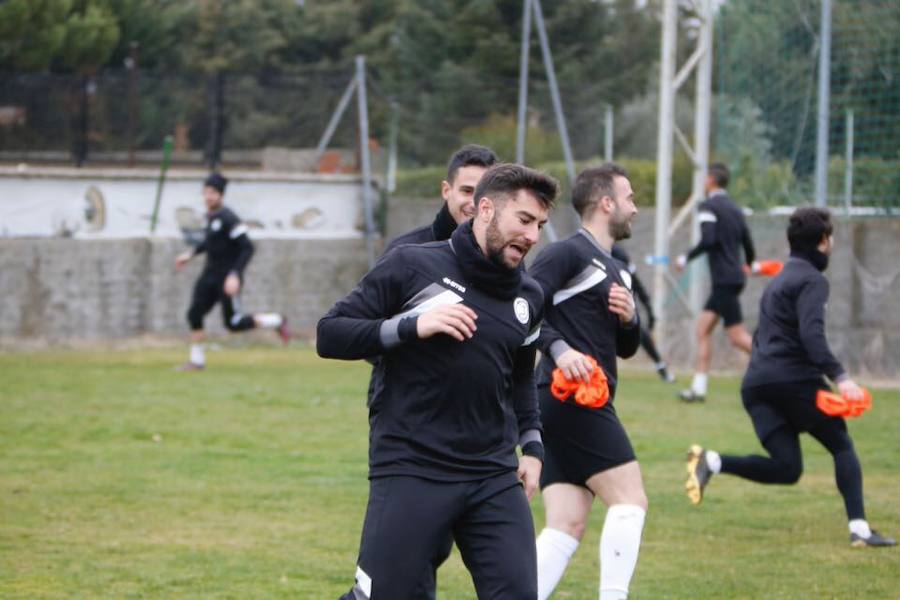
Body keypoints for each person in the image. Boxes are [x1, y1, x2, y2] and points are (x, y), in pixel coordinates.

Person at [317, 163, 558, 599]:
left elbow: (522, 378)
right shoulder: (413, 265)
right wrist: (411, 325)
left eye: (540, 225)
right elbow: (329, 334)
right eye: (524, 221)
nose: (534, 236)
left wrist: (534, 447)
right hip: (414, 465)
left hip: (493, 473)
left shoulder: (529, 296)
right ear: (486, 209)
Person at [685, 207, 895, 548]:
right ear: (824, 241)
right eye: (831, 240)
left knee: (787, 468)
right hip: (795, 381)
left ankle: (711, 461)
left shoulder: (779, 279)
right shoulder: (813, 279)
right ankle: (859, 530)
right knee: (841, 445)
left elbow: (760, 336)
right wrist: (842, 378)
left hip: (756, 386)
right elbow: (812, 337)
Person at [363, 144, 498, 599]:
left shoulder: (503, 262)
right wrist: (415, 330)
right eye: (465, 190)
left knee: (424, 562)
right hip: (409, 435)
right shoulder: (408, 252)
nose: (473, 202)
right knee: (398, 577)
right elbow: (356, 333)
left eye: (484, 192)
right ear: (446, 190)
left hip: (474, 444)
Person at [529, 163, 646, 600]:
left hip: (565, 404)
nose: (635, 208)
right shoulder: (567, 253)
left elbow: (627, 347)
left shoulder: (618, 269)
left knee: (567, 524)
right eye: (630, 198)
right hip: (570, 397)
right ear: (606, 202)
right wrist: (560, 350)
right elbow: (522, 311)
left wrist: (631, 318)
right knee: (631, 500)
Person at [174, 173, 289, 370]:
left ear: (220, 194)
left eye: (212, 193)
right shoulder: (211, 218)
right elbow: (209, 242)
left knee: (233, 323)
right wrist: (190, 254)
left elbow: (247, 247)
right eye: (205, 193)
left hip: (227, 278)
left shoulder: (230, 218)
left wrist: (235, 274)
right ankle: (196, 361)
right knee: (194, 313)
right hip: (209, 276)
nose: (208, 197)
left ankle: (277, 320)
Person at [675, 163, 757, 402]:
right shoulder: (735, 208)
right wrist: (749, 264)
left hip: (724, 279)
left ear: (711, 180)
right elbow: (748, 241)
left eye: (704, 178)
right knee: (703, 330)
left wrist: (685, 257)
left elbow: (708, 239)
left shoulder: (708, 205)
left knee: (738, 337)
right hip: (732, 278)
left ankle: (778, 365)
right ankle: (698, 389)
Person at [611, 243, 675, 383]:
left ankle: (660, 366)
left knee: (638, 328)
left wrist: (649, 309)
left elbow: (635, 281)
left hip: (620, 300)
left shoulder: (618, 253)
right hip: (601, 303)